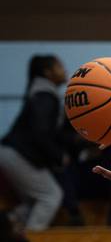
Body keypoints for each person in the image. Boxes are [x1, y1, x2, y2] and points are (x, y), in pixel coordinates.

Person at [0, 55, 68, 231]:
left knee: (33, 201)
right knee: (51, 196)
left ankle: (7, 225)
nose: (64, 71)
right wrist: (59, 156)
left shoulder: (41, 94)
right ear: (48, 73)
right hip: (16, 154)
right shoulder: (45, 97)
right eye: (59, 67)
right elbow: (40, 134)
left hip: (11, 153)